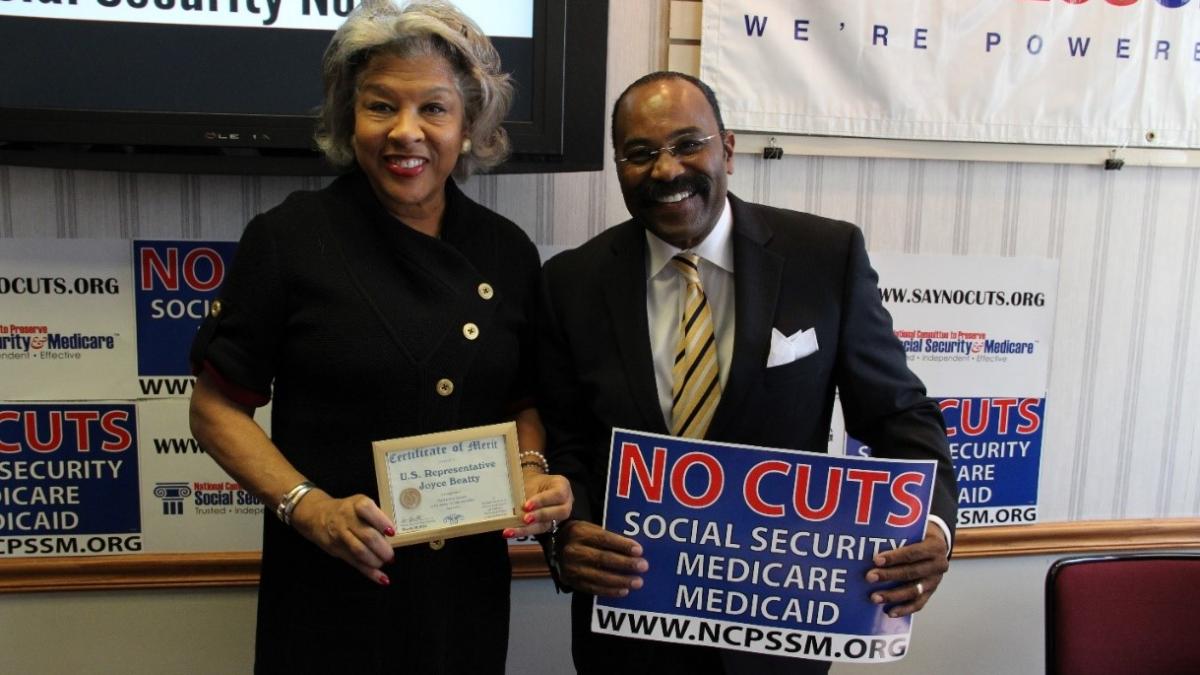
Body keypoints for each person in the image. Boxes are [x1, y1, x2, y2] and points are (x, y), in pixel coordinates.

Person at [187, 2, 571, 672]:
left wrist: (534, 473)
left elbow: (525, 402)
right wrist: (308, 508)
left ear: (470, 123)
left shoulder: (506, 251)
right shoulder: (289, 238)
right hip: (330, 589)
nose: (406, 133)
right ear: (348, 116)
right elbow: (216, 408)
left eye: (434, 108)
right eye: (380, 106)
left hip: (463, 595)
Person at [537, 71, 958, 675]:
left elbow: (898, 416)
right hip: (628, 635)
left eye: (688, 144)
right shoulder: (569, 284)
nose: (666, 170)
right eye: (639, 153)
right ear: (618, 167)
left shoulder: (825, 257)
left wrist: (935, 526)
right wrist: (565, 535)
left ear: (726, 149)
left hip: (781, 636)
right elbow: (567, 443)